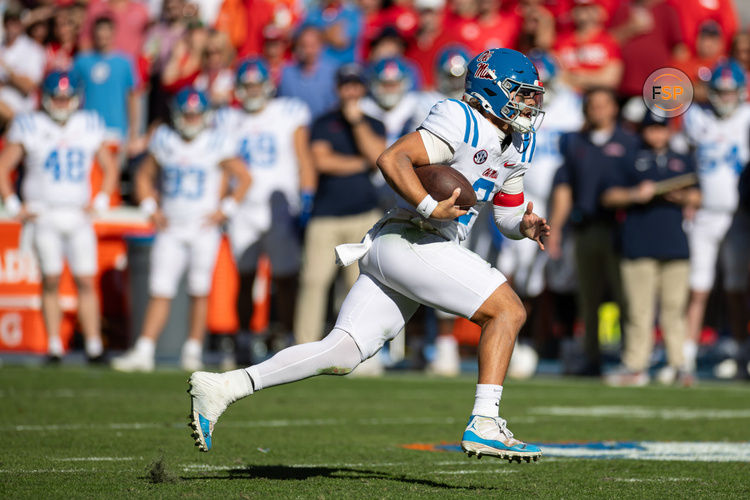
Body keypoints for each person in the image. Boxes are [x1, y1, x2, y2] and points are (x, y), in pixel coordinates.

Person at [187, 48, 549, 462]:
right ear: (489, 90)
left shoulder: (521, 140)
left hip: (417, 246)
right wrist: (430, 207)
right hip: (412, 237)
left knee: (341, 352)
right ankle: (485, 422)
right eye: (519, 93)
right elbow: (392, 158)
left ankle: (224, 387)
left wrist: (525, 225)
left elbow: (506, 213)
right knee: (508, 311)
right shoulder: (460, 117)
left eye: (531, 95)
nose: (528, 103)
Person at [111, 87, 251, 372]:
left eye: (194, 115)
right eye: (185, 115)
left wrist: (225, 210)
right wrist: (151, 208)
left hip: (202, 227)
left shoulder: (215, 143)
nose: (189, 120)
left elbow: (244, 177)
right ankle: (145, 349)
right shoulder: (165, 140)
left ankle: (193, 350)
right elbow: (143, 176)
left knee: (199, 289)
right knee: (160, 289)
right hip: (172, 227)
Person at [0, 71, 119, 362]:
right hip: (44, 213)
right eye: (57, 97)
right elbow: (3, 166)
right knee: (51, 279)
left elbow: (110, 166)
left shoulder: (88, 123)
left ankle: (93, 345)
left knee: (86, 280)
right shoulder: (30, 124)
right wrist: (13, 204)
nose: (62, 102)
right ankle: (54, 345)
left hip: (78, 215)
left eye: (67, 97)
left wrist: (102, 197)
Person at [216, 58, 315, 362]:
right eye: (246, 85)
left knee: (286, 276)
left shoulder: (287, 112)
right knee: (245, 276)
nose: (252, 90)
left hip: (279, 206)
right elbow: (222, 167)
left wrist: (307, 196)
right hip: (244, 208)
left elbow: (303, 157)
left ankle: (286, 335)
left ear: (267, 85)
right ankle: (245, 336)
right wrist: (223, 203)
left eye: (256, 84)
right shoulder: (228, 119)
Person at [601, 112, 701, 387]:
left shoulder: (682, 159)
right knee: (639, 310)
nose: (657, 135)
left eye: (661, 129)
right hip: (638, 245)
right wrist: (635, 194)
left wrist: (681, 196)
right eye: (651, 129)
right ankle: (635, 366)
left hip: (675, 246)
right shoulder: (629, 158)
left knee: (674, 309)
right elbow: (609, 195)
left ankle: (678, 364)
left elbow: (698, 194)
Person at [547, 87, 638, 376]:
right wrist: (556, 228)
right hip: (586, 227)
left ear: (614, 108)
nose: (598, 110)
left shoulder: (630, 142)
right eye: (593, 105)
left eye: (604, 104)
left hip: (621, 229)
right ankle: (590, 356)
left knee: (627, 297)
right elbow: (565, 188)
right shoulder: (575, 142)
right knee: (588, 298)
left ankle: (631, 357)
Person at [292, 63, 384, 348]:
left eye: (356, 85)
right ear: (338, 88)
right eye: (346, 85)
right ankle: (303, 345)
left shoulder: (373, 122)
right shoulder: (323, 122)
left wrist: (356, 123)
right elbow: (321, 161)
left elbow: (378, 156)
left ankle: (351, 346)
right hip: (326, 216)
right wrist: (360, 164)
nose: (351, 91)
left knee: (357, 287)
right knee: (313, 282)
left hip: (363, 214)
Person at [682, 59, 750, 379]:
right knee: (698, 287)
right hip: (706, 214)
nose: (724, 98)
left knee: (737, 289)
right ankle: (686, 358)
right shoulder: (696, 118)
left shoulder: (747, 118)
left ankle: (740, 355)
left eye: (730, 92)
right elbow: (683, 163)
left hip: (738, 215)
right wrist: (689, 192)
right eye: (719, 92)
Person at [72, 16, 142, 154]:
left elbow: (132, 97)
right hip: (87, 127)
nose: (103, 38)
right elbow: (72, 93)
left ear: (113, 34)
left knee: (113, 171)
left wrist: (133, 132)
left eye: (106, 34)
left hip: (115, 128)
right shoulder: (82, 61)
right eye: (99, 34)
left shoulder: (125, 62)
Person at [277, 25, 338, 119]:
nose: (309, 51)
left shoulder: (332, 72)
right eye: (304, 46)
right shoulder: (286, 73)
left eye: (313, 45)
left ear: (321, 46)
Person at [0, 8, 46, 125]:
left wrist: (7, 71)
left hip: (20, 116)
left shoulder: (33, 50)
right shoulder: (2, 47)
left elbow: (29, 86)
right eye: (8, 21)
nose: (11, 26)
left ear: (22, 24)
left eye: (15, 22)